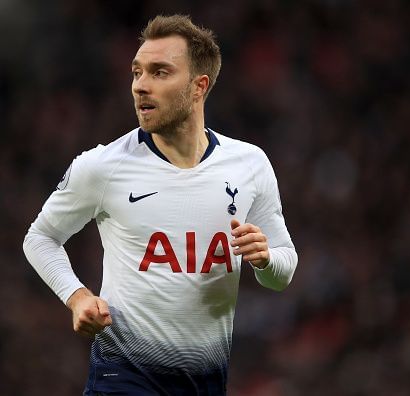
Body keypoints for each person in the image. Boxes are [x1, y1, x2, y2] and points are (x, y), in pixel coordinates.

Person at [22, 14, 298, 395]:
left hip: (206, 382)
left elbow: (282, 272)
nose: (140, 86)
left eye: (159, 72)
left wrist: (265, 259)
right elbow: (40, 237)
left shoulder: (249, 164)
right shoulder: (102, 166)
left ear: (199, 86)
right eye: (137, 72)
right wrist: (78, 296)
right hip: (122, 377)